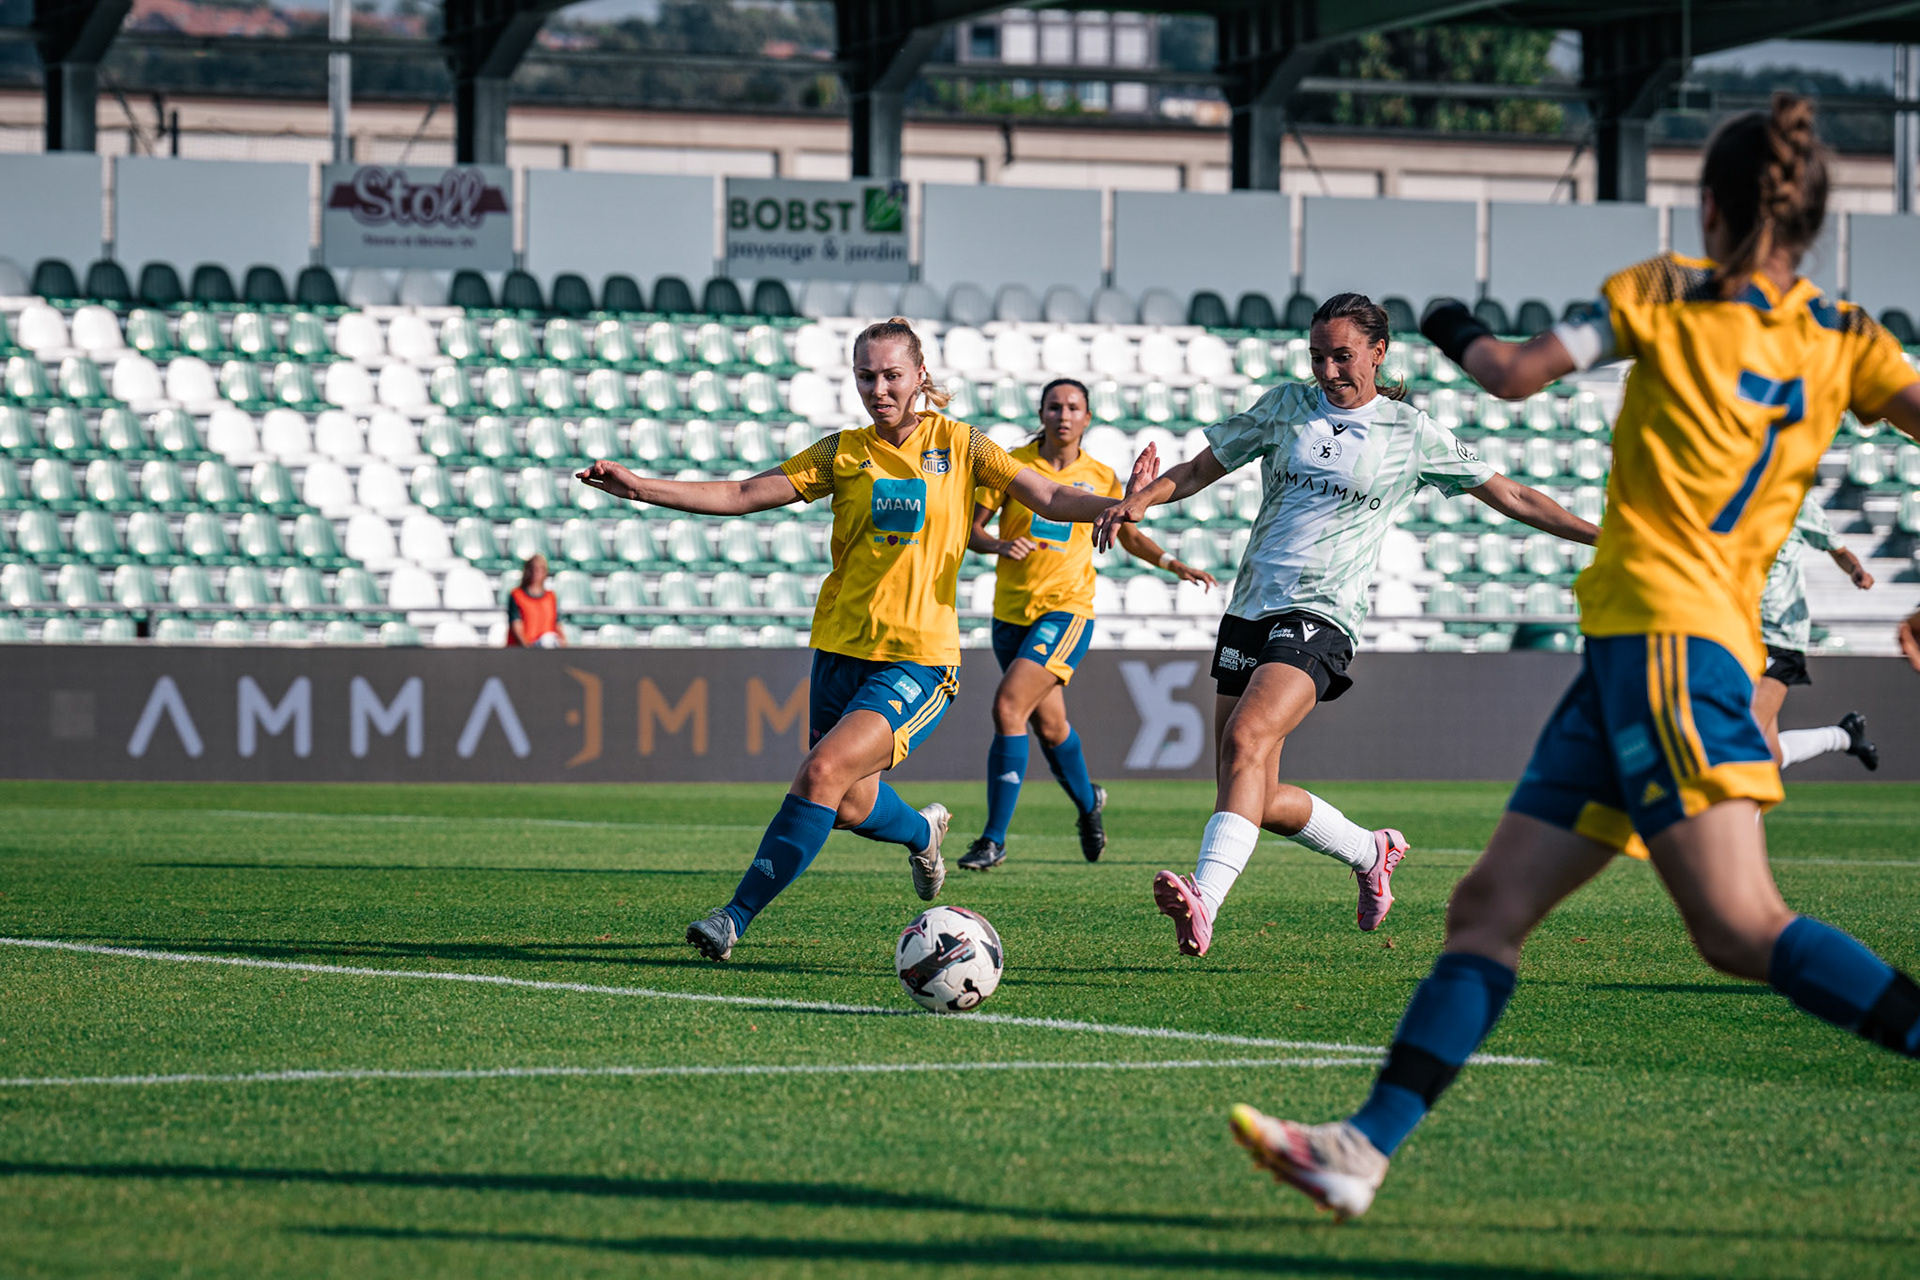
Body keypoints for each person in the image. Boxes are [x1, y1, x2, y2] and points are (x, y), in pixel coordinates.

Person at [1228, 95, 1920, 1221]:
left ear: (1709, 206)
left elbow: (1508, 372)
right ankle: (1360, 1147)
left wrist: (1450, 324)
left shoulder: (1664, 289)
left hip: (1670, 640)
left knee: (1740, 926)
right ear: (1818, 222)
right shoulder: (1850, 336)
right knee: (1486, 905)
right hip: (1634, 653)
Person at [578, 318, 1148, 961]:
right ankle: (922, 832)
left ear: (919, 377)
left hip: (918, 660)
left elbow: (1045, 493)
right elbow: (742, 493)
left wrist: (1114, 503)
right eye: (866, 376)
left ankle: (732, 917)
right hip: (838, 651)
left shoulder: (962, 445)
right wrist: (641, 490)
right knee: (848, 804)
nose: (879, 389)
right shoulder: (840, 452)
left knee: (821, 771)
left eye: (892, 375)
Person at [1091, 293, 1598, 954]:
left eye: (1342, 356)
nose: (1329, 370)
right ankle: (1370, 849)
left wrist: (1604, 537)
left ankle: (1204, 899)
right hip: (1250, 609)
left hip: (1322, 614)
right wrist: (1140, 501)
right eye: (1318, 356)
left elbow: (1514, 495)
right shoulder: (1284, 408)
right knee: (1251, 789)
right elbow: (1195, 470)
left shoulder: (1408, 433)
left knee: (1247, 739)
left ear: (1378, 352)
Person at [959, 376, 1217, 872]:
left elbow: (1128, 532)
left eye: (1073, 407)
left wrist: (1171, 563)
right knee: (1050, 726)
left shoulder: (1100, 475)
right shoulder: (1011, 465)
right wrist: (996, 544)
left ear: (1088, 417)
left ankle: (993, 840)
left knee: (1009, 705)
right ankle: (1088, 803)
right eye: (1054, 406)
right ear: (1041, 413)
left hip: (1068, 609)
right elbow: (973, 530)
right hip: (1011, 612)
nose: (1063, 415)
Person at [1753, 491, 1877, 770]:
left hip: (1779, 635)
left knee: (1744, 743)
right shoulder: (1726, 494)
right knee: (1766, 755)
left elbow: (1839, 550)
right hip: (1735, 632)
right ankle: (1843, 735)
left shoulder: (1793, 498)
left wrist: (1856, 570)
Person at [506, 554, 565, 648]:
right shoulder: (517, 595)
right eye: (532, 569)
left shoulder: (550, 597)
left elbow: (557, 624)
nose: (536, 573)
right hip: (525, 649)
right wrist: (529, 651)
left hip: (547, 648)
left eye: (540, 569)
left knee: (549, 640)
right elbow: (516, 625)